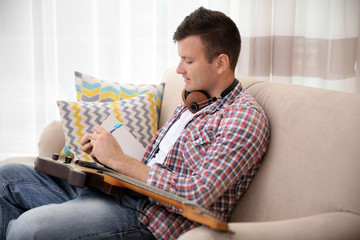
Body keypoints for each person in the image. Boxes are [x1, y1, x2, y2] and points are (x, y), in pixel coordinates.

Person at [0, 6, 270, 240]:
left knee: (29, 229)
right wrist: (108, 155)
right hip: (114, 191)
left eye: (188, 60)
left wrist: (121, 161)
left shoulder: (243, 117)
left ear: (221, 62)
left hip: (147, 218)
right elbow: (154, 164)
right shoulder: (195, 100)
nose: (179, 69)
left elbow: (197, 195)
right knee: (6, 177)